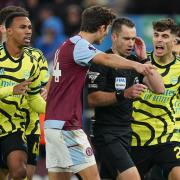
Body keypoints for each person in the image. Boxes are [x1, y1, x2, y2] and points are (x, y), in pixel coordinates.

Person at [44, 6, 156, 180]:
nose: (105, 35)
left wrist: (48, 92)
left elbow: (53, 77)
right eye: (107, 30)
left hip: (52, 124)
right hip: (67, 126)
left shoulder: (65, 45)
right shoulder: (80, 46)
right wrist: (137, 65)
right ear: (102, 27)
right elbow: (107, 58)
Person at [86, 17, 164, 180]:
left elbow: (159, 88)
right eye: (126, 38)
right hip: (106, 133)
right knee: (132, 177)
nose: (131, 43)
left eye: (133, 39)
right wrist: (124, 94)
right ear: (114, 37)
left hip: (127, 133)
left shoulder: (135, 62)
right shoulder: (102, 61)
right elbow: (92, 99)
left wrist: (143, 58)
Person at [0, 6, 49, 180]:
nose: (28, 31)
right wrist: (11, 90)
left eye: (29, 27)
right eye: (23, 27)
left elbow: (35, 96)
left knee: (21, 173)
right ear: (9, 31)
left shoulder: (34, 59)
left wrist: (54, 110)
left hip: (17, 125)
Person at [130, 18, 180, 180]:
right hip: (137, 137)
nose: (159, 39)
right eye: (156, 35)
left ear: (174, 40)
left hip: (167, 137)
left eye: (165, 36)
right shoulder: (138, 62)